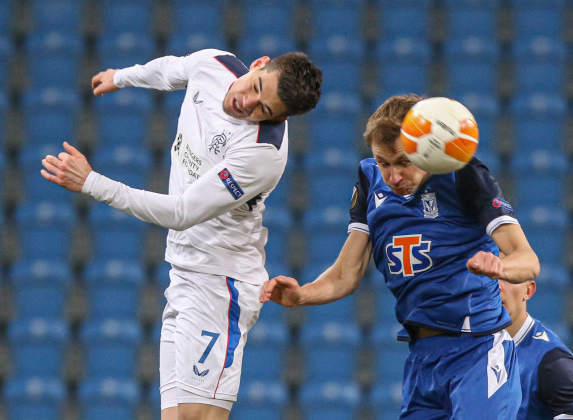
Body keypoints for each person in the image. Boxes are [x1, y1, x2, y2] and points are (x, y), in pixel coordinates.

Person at [40, 49, 322, 420]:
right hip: (185, 272)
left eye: (262, 109)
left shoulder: (261, 154)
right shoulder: (214, 63)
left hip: (220, 285)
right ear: (257, 65)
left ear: (280, 117)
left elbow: (182, 212)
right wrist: (122, 76)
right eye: (255, 87)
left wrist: (93, 183)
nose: (246, 102)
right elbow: (172, 70)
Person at [260, 94, 541, 419]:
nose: (393, 176)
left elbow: (527, 259)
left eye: (403, 162)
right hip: (421, 358)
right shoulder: (369, 180)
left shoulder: (463, 175)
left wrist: (500, 266)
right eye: (384, 162)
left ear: (427, 149)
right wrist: (302, 295)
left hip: (477, 349)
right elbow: (345, 274)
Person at [499, 279, 573, 419]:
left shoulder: (552, 361)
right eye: (490, 277)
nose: (498, 286)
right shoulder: (466, 349)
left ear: (528, 290)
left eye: (508, 278)